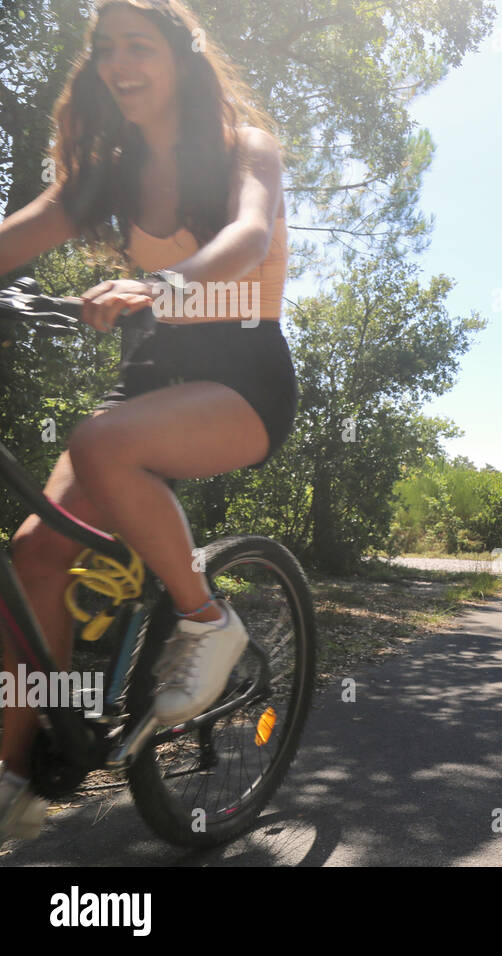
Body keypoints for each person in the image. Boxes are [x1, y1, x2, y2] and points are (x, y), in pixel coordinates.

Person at [0, 0, 295, 841]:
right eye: (105, 49)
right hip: (149, 388)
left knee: (99, 443)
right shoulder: (112, 169)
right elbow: (17, 236)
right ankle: (20, 775)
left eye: (139, 45)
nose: (118, 62)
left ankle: (207, 619)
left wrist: (162, 288)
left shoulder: (248, 150)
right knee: (32, 557)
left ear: (180, 57)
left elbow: (247, 233)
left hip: (244, 385)